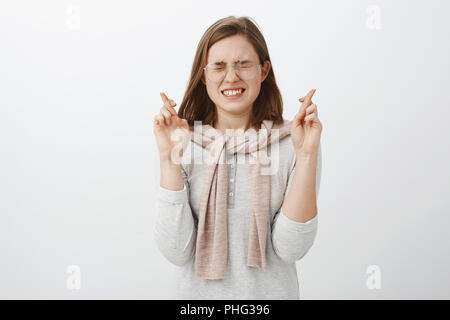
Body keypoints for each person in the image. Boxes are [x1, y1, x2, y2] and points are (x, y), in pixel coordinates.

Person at [152, 15, 323, 300]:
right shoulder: (182, 141)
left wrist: (306, 156)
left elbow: (292, 249)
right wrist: (169, 159)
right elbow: (176, 251)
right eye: (218, 66)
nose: (231, 77)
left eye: (243, 64)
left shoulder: (295, 141)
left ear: (264, 71)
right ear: (204, 75)